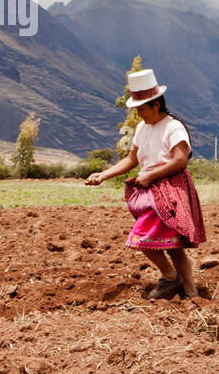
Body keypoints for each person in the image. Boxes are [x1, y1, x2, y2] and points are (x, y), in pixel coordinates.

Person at [86, 69, 205, 299]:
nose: (139, 114)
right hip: (151, 190)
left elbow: (180, 160)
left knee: (153, 240)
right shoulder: (142, 128)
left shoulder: (173, 127)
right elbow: (132, 159)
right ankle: (181, 284)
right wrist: (104, 175)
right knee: (169, 244)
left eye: (141, 108)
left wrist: (151, 176)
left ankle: (184, 288)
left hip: (171, 188)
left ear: (156, 105)